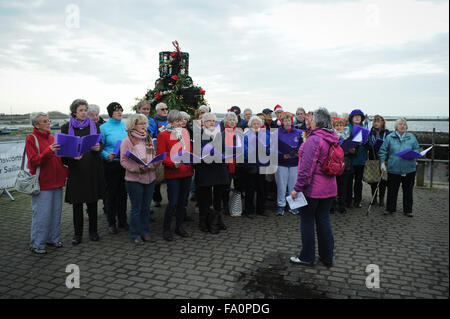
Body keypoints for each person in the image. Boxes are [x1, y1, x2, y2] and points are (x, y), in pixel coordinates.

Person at [290, 108, 338, 267]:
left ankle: (307, 256)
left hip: (313, 189)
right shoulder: (332, 137)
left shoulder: (314, 140)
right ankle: (327, 257)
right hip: (329, 188)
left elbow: (306, 169)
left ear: (318, 121)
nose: (308, 120)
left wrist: (297, 188)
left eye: (312, 118)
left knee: (307, 221)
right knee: (324, 221)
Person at [61, 99, 105, 245]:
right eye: (81, 110)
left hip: (92, 168)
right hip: (76, 170)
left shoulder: (95, 125)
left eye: (85, 110)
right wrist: (71, 156)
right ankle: (77, 234)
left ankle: (93, 231)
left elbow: (101, 144)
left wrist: (99, 148)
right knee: (77, 204)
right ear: (74, 112)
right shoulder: (66, 127)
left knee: (92, 203)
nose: (84, 112)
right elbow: (63, 152)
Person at [27, 112, 68, 254]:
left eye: (48, 120)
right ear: (36, 125)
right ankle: (37, 244)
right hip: (42, 183)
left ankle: (53, 238)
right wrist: (48, 151)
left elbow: (58, 159)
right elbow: (33, 161)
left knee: (56, 213)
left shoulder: (52, 138)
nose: (48, 123)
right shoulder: (31, 139)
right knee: (42, 215)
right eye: (44, 121)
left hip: (57, 181)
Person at [120, 114, 161, 245]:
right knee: (136, 208)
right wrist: (138, 168)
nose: (144, 126)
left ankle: (145, 232)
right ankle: (135, 234)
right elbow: (123, 161)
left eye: (145, 123)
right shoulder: (127, 140)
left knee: (146, 207)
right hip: (134, 180)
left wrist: (156, 162)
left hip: (150, 177)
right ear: (133, 125)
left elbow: (153, 155)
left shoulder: (148, 138)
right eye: (141, 124)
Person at [157, 110, 193, 241]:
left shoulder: (185, 133)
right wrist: (172, 163)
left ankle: (179, 226)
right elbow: (161, 155)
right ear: (171, 122)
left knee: (183, 201)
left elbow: (189, 150)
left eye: (182, 120)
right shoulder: (163, 135)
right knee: (172, 202)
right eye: (178, 121)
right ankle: (166, 229)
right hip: (173, 172)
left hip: (187, 171)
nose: (181, 123)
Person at [194, 112, 230, 233]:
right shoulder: (198, 135)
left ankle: (218, 219)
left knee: (218, 197)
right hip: (205, 169)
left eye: (213, 121)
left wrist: (225, 155)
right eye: (209, 121)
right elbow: (197, 152)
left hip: (219, 168)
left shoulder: (219, 134)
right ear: (203, 123)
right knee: (205, 197)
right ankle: (203, 221)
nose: (211, 123)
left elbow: (226, 149)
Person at [378, 118, 419, 217]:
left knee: (408, 191)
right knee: (392, 190)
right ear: (396, 126)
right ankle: (390, 209)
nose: (402, 126)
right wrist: (382, 163)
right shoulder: (389, 137)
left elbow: (417, 148)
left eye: (404, 124)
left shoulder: (412, 137)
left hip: (409, 168)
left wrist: (415, 154)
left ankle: (408, 210)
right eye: (400, 124)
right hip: (394, 168)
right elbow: (383, 150)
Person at [100, 102, 128, 234]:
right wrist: (106, 155)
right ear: (111, 112)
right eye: (117, 111)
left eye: (121, 110)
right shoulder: (103, 128)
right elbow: (99, 147)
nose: (120, 113)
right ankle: (111, 222)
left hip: (125, 163)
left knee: (123, 194)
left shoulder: (125, 126)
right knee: (111, 194)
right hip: (111, 164)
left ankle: (123, 220)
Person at [241, 116, 270, 218]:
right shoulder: (246, 136)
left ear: (261, 125)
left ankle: (261, 209)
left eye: (258, 123)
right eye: (254, 124)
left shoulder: (266, 136)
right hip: (250, 165)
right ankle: (249, 210)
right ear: (250, 125)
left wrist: (265, 151)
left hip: (262, 165)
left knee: (262, 189)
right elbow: (243, 150)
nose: (256, 125)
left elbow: (270, 149)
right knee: (250, 189)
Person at [275, 112, 303, 216]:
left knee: (294, 185)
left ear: (292, 121)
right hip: (281, 162)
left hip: (294, 162)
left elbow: (303, 146)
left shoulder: (299, 132)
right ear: (281, 122)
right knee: (281, 186)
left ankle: (294, 206)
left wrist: (298, 153)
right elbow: (273, 147)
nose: (287, 122)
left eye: (289, 120)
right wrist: (282, 155)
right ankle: (281, 206)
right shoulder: (277, 132)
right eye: (285, 120)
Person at [222, 112, 244, 216]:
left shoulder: (240, 133)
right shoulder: (222, 134)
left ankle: (236, 207)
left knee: (238, 186)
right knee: (225, 187)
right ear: (226, 121)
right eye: (230, 120)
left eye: (233, 120)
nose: (232, 122)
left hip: (238, 164)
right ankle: (225, 206)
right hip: (227, 164)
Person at [347, 109, 369, 208]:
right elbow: (343, 142)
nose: (357, 118)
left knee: (359, 182)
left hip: (360, 159)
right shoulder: (347, 128)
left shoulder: (365, 129)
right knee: (348, 181)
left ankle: (357, 200)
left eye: (359, 116)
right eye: (355, 116)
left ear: (361, 118)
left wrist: (366, 141)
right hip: (350, 159)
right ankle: (348, 200)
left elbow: (370, 145)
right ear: (351, 118)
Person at [150, 102, 169, 208]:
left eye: (166, 109)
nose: (165, 111)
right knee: (158, 177)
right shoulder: (154, 121)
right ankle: (157, 198)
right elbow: (152, 135)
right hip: (159, 150)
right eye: (162, 109)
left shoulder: (170, 120)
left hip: (170, 150)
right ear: (157, 111)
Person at [368, 115, 390, 206]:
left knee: (383, 180)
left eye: (378, 121)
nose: (376, 123)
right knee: (373, 180)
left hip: (384, 158)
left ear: (382, 123)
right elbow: (367, 144)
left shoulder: (387, 132)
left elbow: (389, 144)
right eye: (375, 122)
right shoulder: (370, 132)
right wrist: (371, 145)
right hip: (373, 157)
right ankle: (374, 198)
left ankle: (381, 198)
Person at [332, 117, 353, 214]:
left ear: (344, 126)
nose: (339, 127)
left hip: (345, 163)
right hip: (334, 163)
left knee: (343, 186)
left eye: (341, 125)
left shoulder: (349, 136)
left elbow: (353, 150)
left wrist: (351, 149)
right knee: (333, 185)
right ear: (334, 126)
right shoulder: (331, 136)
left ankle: (342, 205)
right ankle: (331, 206)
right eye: (337, 125)